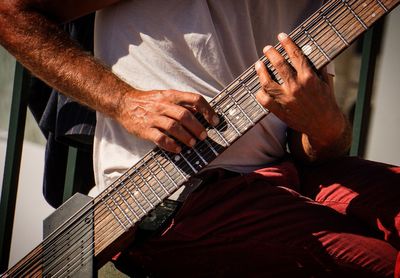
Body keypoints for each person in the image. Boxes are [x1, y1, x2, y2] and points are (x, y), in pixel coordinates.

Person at [0, 0, 399, 277]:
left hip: (287, 172)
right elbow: (12, 14)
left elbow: (312, 148)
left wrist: (326, 126)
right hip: (173, 198)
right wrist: (124, 101)